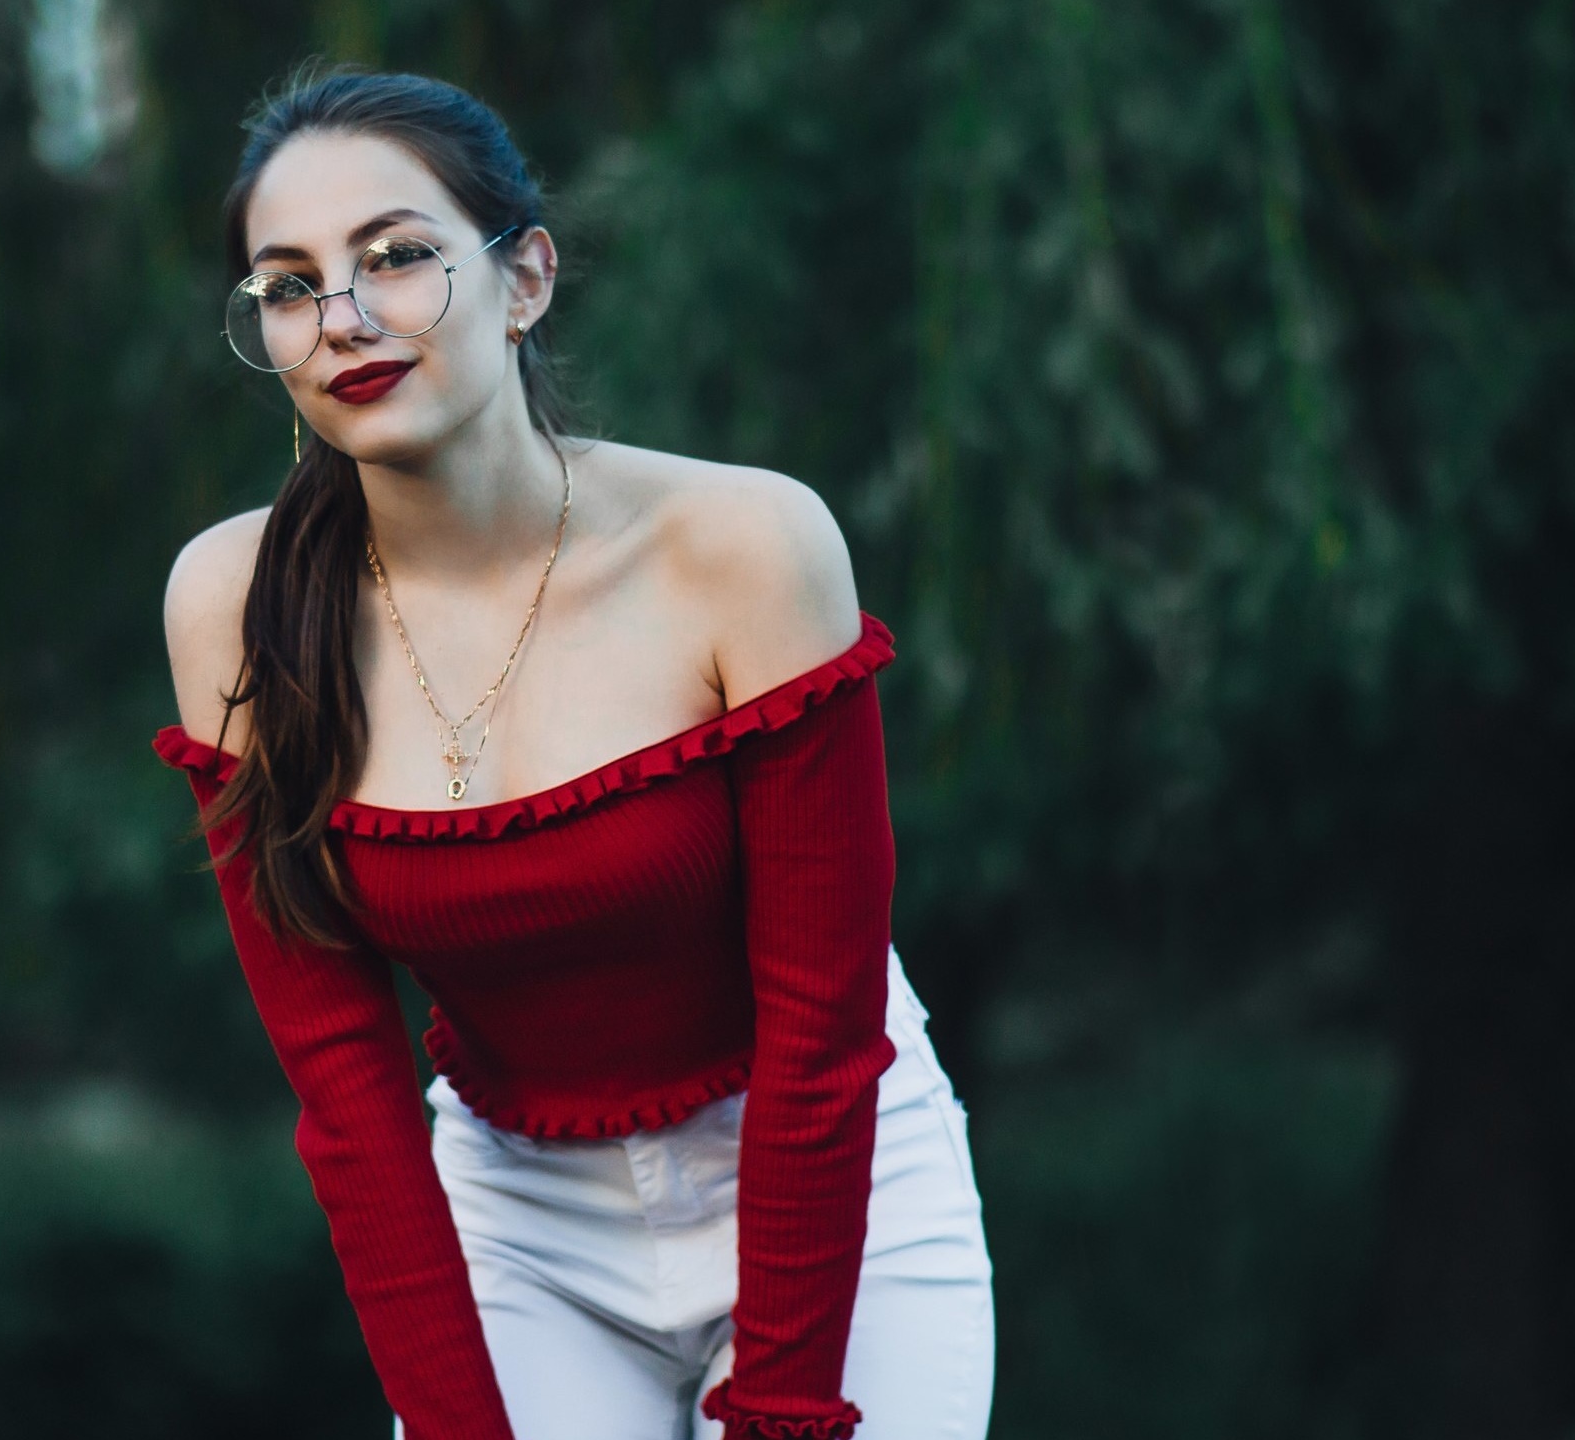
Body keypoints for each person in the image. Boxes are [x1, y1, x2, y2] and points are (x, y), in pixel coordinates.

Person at [155, 62, 993, 1440]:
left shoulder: (747, 548)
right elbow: (348, 1102)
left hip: (826, 1174)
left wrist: (782, 1409)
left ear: (525, 277)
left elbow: (824, 1035)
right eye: (292, 287)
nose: (348, 320)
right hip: (521, 1216)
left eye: (400, 258)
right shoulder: (230, 607)